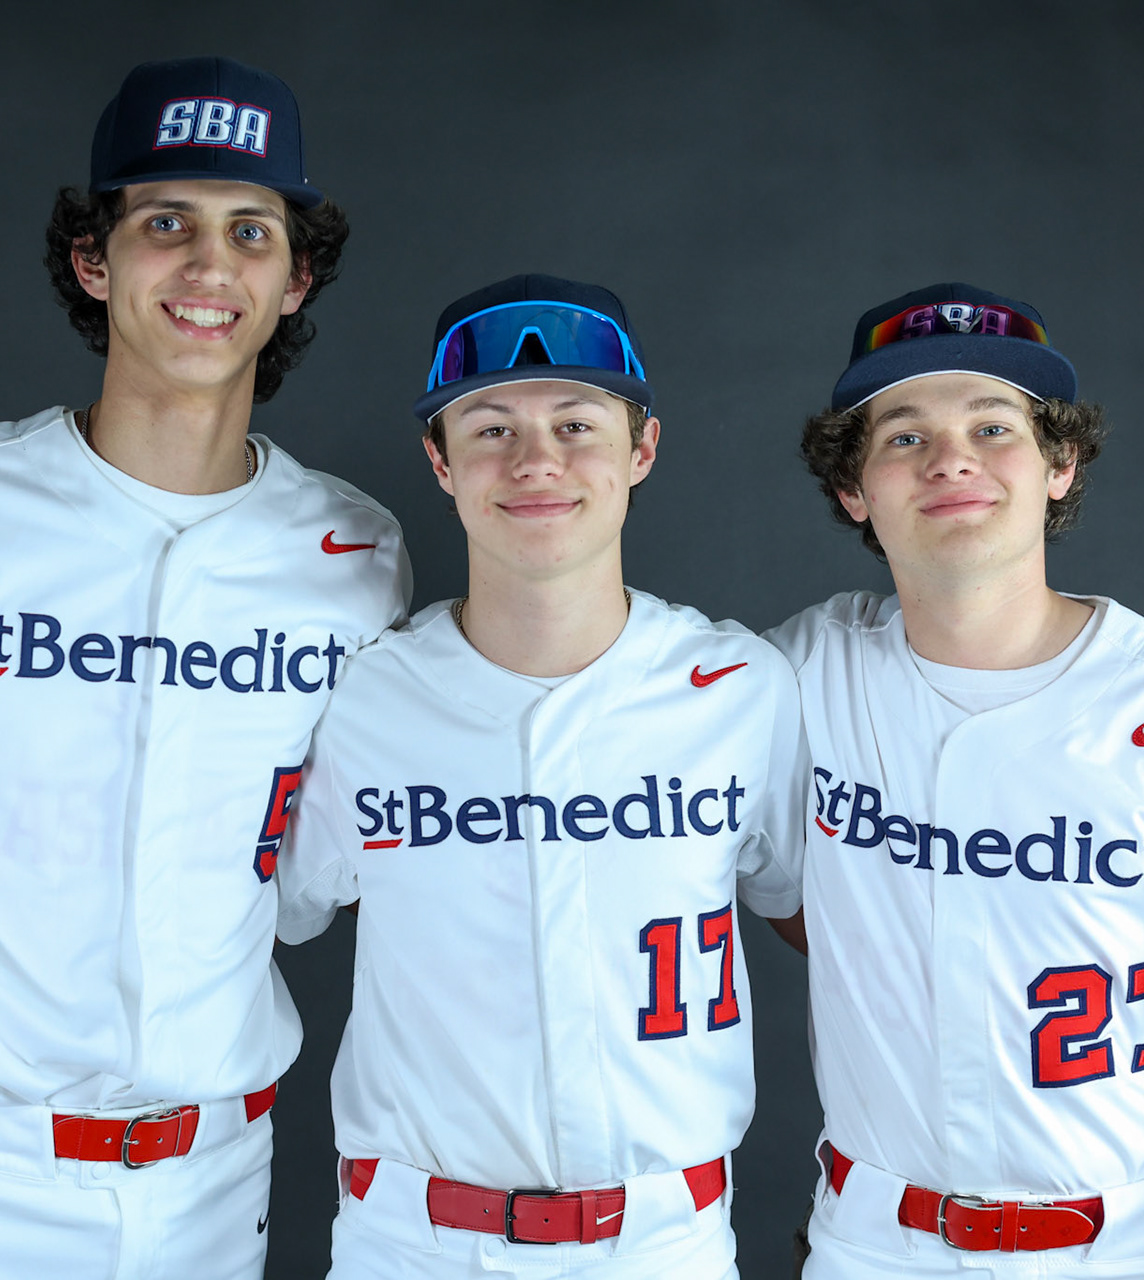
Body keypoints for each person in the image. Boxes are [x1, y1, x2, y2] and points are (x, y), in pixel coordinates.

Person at [0, 57, 406, 1279]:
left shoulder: (354, 552)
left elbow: (323, 868)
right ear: (93, 258)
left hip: (216, 1171)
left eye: (251, 231)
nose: (209, 266)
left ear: (295, 279)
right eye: (165, 223)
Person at [767, 282, 1144, 1276]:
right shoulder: (800, 673)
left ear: (1061, 464)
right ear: (853, 489)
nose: (952, 459)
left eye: (994, 425)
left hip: (1137, 1248)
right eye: (904, 436)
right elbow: (783, 890)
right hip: (876, 1243)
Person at [277, 274, 807, 1279]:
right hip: (413, 1243)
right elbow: (276, 908)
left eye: (576, 424)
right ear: (439, 461)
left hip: (665, 1242)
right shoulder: (363, 694)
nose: (535, 461)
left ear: (642, 449)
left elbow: (818, 913)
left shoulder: (742, 687)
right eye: (491, 429)